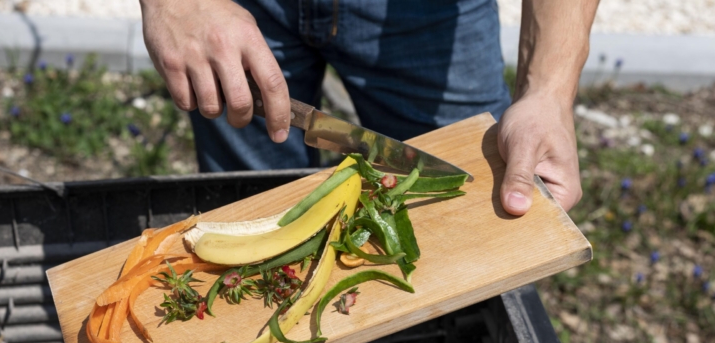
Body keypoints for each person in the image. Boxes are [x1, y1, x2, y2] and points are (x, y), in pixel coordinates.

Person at [139, 0, 599, 216]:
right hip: (226, 10)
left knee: (482, 205)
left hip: (424, 16)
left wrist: (548, 89)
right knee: (251, 209)